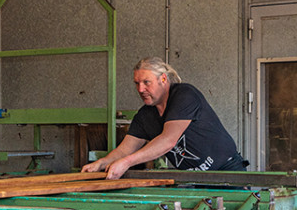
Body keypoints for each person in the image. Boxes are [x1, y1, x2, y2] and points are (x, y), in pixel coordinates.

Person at [82, 57, 245, 180]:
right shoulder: (144, 116)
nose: (141, 89)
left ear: (164, 79)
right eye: (137, 83)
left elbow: (168, 141)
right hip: (195, 180)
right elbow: (125, 149)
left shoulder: (185, 95)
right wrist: (102, 163)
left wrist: (126, 162)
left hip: (227, 172)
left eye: (146, 82)